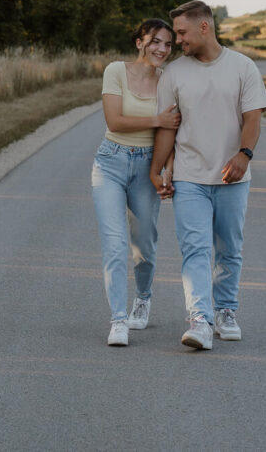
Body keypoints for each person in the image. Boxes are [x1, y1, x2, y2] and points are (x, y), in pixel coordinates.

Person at [150, 1, 266, 350]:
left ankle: (226, 311)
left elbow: (253, 117)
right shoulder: (174, 73)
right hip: (189, 177)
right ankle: (199, 320)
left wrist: (244, 155)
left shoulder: (242, 67)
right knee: (195, 249)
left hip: (233, 178)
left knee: (229, 249)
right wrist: (159, 170)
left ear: (204, 27)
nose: (178, 41)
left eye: (182, 33)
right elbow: (168, 128)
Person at [92, 19, 180, 347]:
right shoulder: (116, 71)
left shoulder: (169, 80)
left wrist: (168, 170)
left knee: (145, 243)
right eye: (155, 41)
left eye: (168, 44)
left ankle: (143, 298)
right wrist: (157, 119)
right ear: (140, 41)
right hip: (110, 162)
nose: (162, 49)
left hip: (148, 166)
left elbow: (174, 131)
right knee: (114, 243)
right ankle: (118, 320)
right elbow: (114, 120)